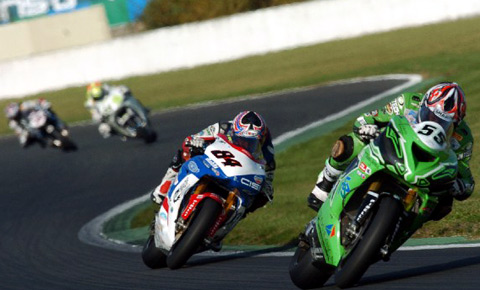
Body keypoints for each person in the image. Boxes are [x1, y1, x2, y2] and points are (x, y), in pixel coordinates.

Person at [307, 82, 474, 220]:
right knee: (350, 144)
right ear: (423, 104)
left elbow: (466, 176)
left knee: (445, 203)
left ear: (457, 123)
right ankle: (326, 182)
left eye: (445, 122)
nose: (436, 123)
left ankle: (407, 223)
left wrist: (461, 186)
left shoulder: (463, 138)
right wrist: (367, 128)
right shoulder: (409, 102)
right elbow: (368, 118)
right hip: (393, 152)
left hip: (425, 173)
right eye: (431, 115)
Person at [151, 111, 276, 213]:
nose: (246, 144)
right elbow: (190, 139)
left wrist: (268, 184)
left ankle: (232, 219)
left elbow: (270, 164)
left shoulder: (265, 140)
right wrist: (196, 142)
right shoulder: (223, 127)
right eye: (242, 139)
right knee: (184, 153)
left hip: (242, 167)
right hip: (216, 159)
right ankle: (164, 188)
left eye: (252, 142)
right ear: (234, 131)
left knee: (261, 197)